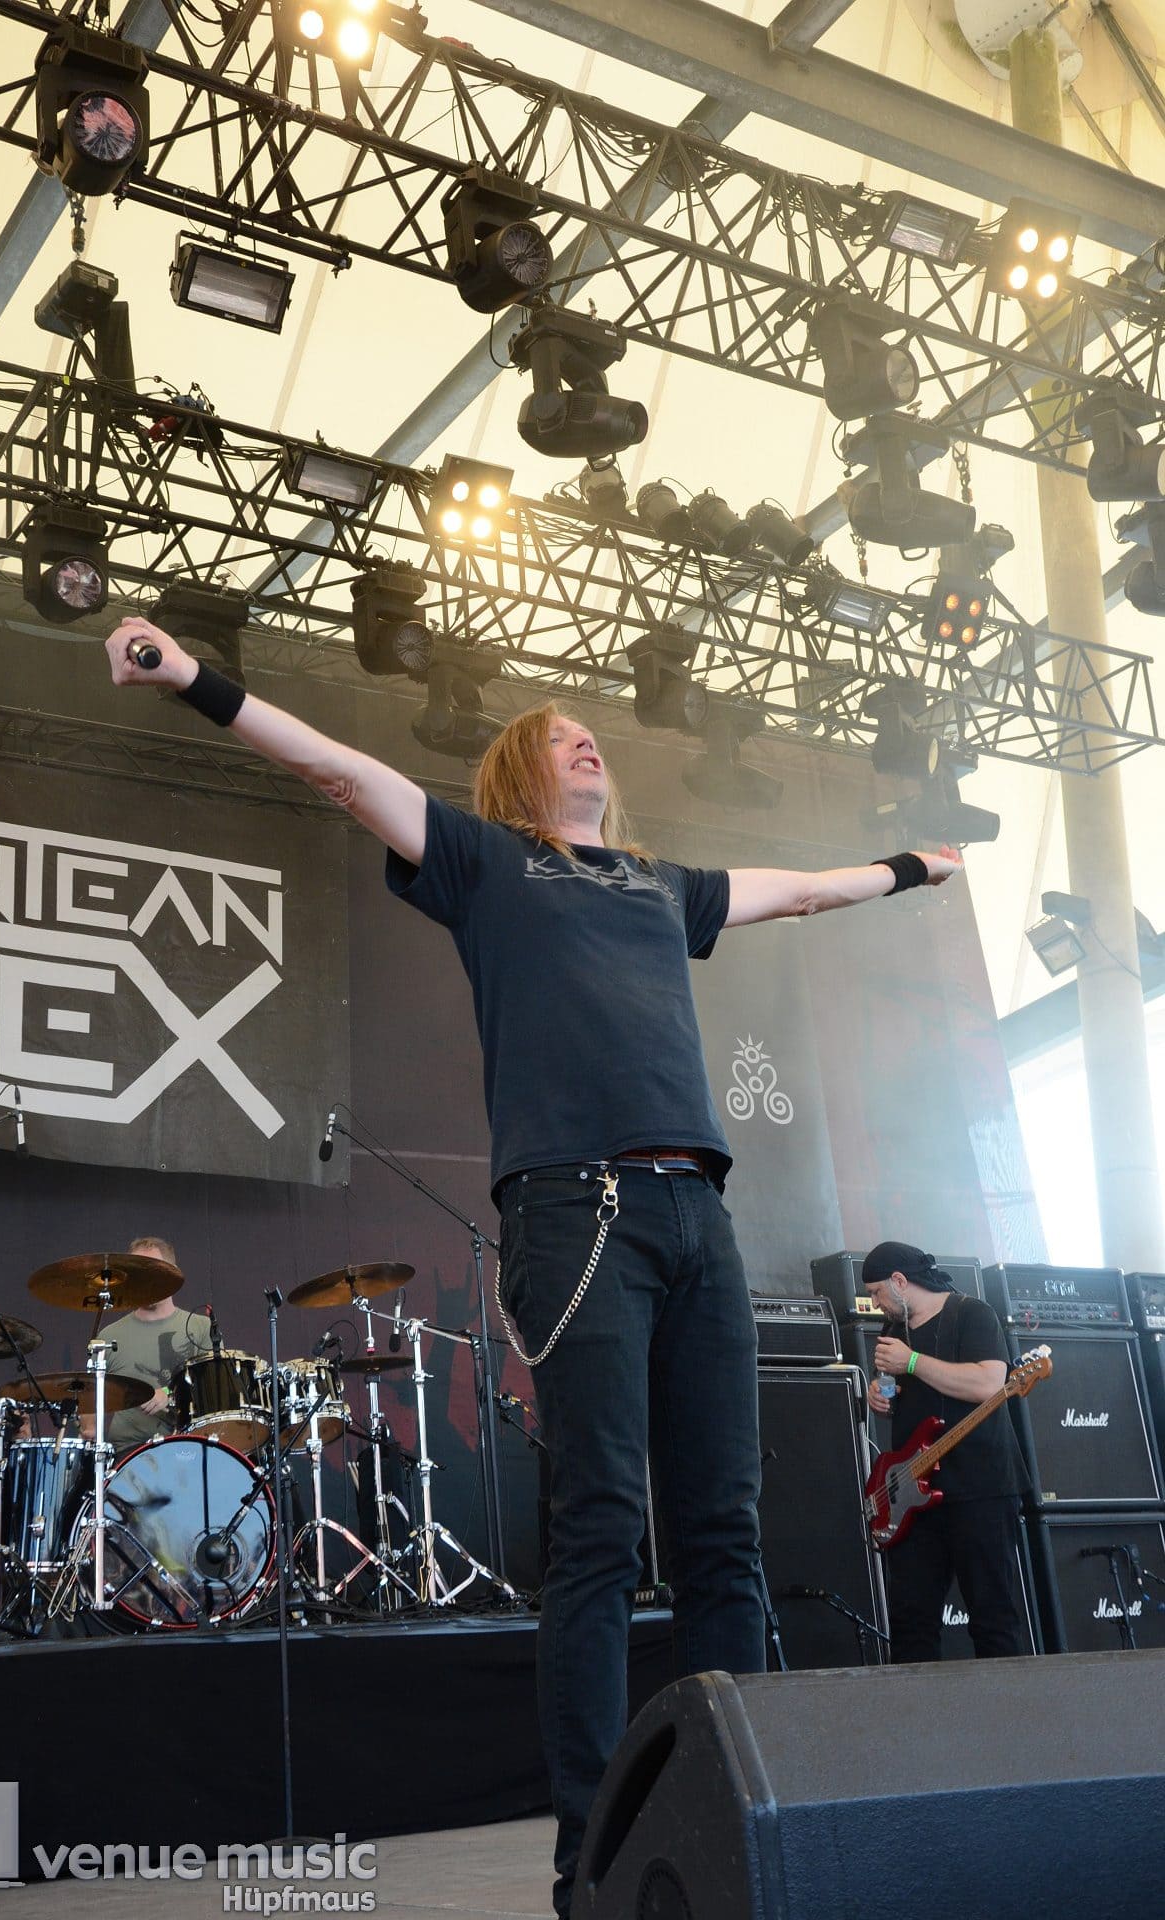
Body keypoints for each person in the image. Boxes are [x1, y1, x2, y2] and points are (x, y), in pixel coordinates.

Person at [103, 618, 962, 1918]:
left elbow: (793, 890)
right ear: (520, 773)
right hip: (579, 1209)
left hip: (697, 1210)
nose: (586, 740)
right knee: (603, 1525)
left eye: (591, 732)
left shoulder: (662, 887)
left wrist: (907, 868)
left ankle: (747, 1817)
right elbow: (343, 769)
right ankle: (591, 1852)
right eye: (560, 736)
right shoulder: (487, 860)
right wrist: (195, 681)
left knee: (724, 1527)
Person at [864, 1239, 1030, 1663]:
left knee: (992, 1616)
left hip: (980, 1487)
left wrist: (912, 1362)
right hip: (913, 1493)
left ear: (900, 1281)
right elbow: (896, 1388)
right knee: (911, 1621)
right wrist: (881, 1394)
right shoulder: (893, 1331)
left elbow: (988, 1384)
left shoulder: (973, 1314)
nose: (875, 1303)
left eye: (877, 1292)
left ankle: (1009, 1703)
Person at [102, 1236, 213, 1453]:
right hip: (127, 1454)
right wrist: (87, 1423)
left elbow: (213, 1392)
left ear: (172, 1276)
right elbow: (90, 1399)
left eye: (154, 1272)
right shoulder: (108, 1336)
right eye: (139, 1273)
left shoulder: (201, 1327)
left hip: (186, 1448)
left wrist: (169, 1394)